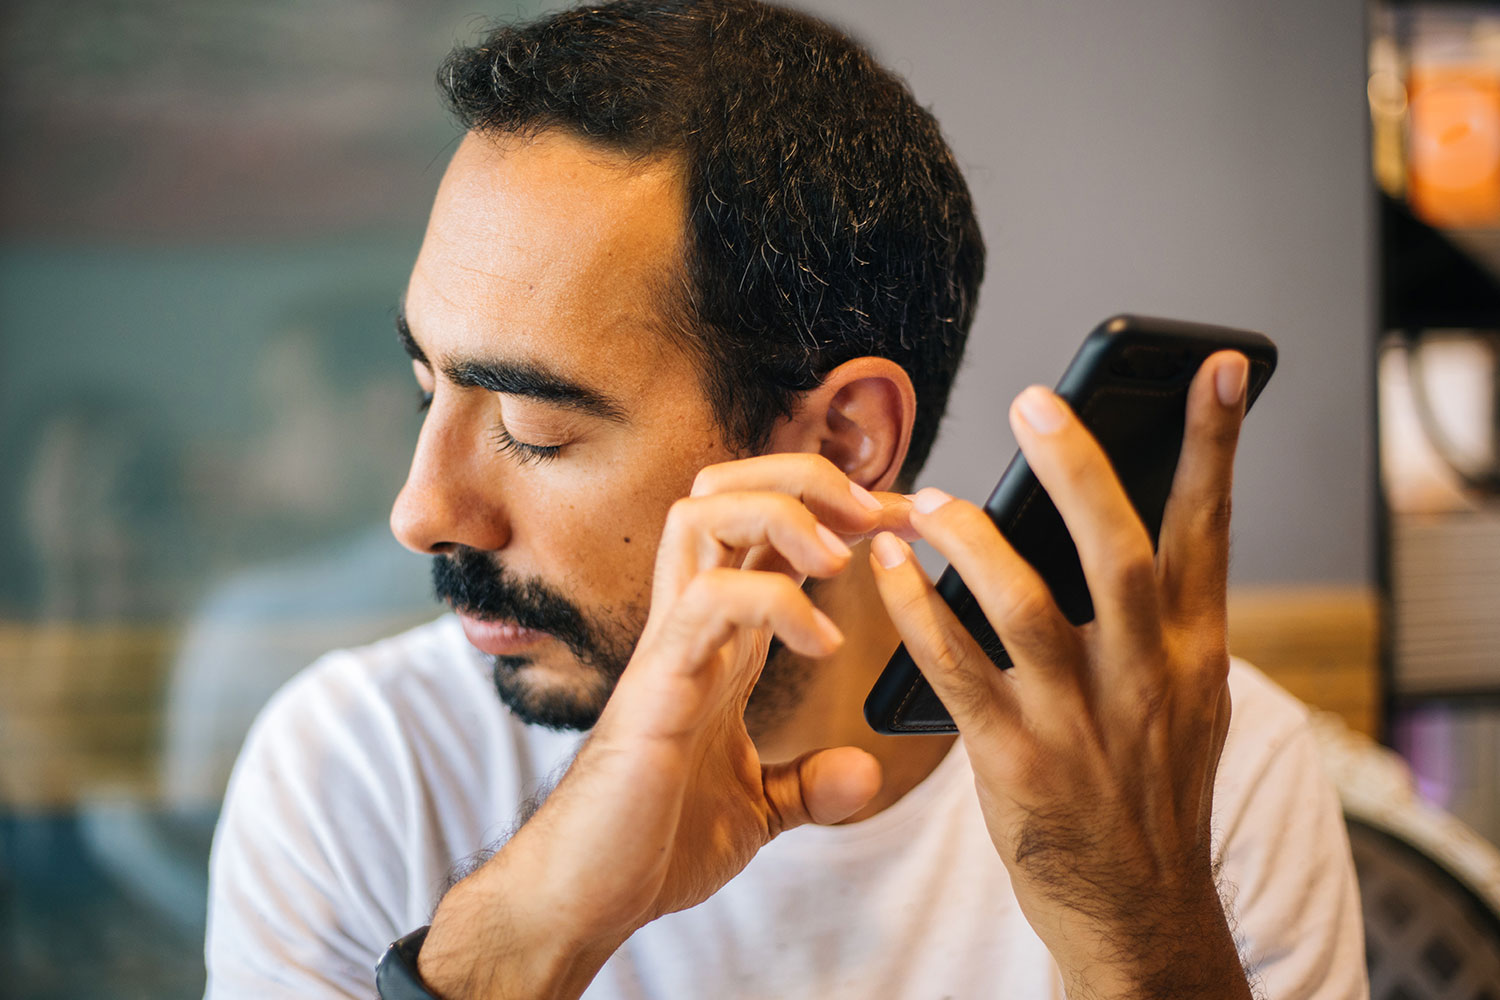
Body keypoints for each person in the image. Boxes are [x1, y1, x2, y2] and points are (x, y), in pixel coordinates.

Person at [204, 2, 1367, 997]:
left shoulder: (1203, 783)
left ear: (845, 441)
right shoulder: (363, 765)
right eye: (428, 389)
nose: (421, 511)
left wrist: (1141, 932)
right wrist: (527, 930)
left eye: (535, 426)